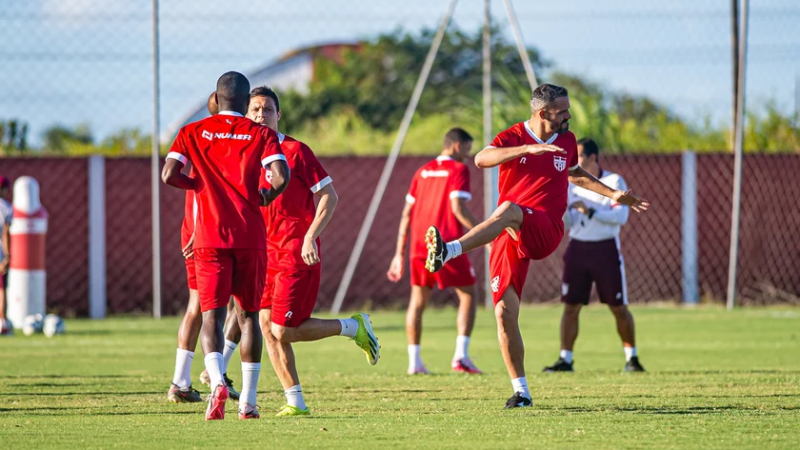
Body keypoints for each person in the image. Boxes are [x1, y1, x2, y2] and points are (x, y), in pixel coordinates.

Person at [425, 83, 649, 409]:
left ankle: (450, 250)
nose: (568, 115)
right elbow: (481, 158)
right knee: (503, 313)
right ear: (543, 113)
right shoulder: (514, 135)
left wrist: (613, 194)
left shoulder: (568, 140)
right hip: (509, 232)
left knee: (508, 210)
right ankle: (522, 392)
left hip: (546, 227)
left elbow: (575, 173)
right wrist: (525, 151)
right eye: (562, 111)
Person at [224, 86, 380, 417]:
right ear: (245, 114)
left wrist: (310, 236)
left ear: (278, 115)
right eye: (254, 109)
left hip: (296, 251)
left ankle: (353, 327)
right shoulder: (244, 154)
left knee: (282, 329)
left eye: (267, 109)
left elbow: (330, 196)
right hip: (261, 254)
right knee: (266, 326)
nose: (260, 114)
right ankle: (295, 401)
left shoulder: (295, 151)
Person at [162, 71, 290, 420]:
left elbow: (168, 174)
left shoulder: (191, 131)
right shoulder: (261, 134)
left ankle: (216, 381)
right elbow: (281, 176)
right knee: (249, 318)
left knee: (211, 316)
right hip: (250, 237)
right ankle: (248, 403)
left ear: (217, 99)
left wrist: (198, 185)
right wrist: (266, 195)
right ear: (246, 101)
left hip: (208, 240)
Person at [543, 138, 644, 373]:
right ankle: (565, 359)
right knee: (571, 306)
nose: (574, 162)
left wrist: (591, 210)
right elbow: (567, 222)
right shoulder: (569, 184)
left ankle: (632, 358)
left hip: (605, 249)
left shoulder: (612, 181)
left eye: (579, 157)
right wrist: (564, 212)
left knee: (617, 306)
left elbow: (620, 217)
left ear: (593, 158)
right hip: (578, 248)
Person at [387, 128, 482, 375]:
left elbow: (406, 214)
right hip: (445, 245)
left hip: (418, 245)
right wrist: (485, 233)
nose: (469, 156)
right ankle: (461, 357)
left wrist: (399, 253)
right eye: (468, 149)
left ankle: (414, 363)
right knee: (469, 294)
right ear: (458, 146)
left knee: (417, 302)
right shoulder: (459, 170)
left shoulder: (423, 171)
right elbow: (458, 208)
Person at [167, 93, 243, 403]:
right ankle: (210, 374)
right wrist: (196, 236)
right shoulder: (214, 146)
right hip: (207, 236)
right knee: (221, 307)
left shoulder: (203, 142)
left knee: (204, 307)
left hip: (205, 233)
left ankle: (186, 381)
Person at [0, 176, 11, 333]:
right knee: (1, 288)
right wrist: (8, 256)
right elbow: (6, 232)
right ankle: (2, 322)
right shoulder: (6, 207)